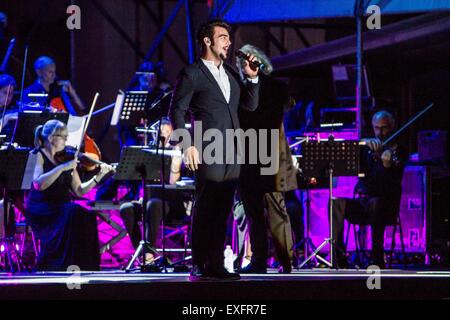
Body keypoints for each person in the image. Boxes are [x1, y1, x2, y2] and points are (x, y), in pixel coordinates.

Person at [169, 19, 260, 281]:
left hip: (232, 149)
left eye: (228, 37)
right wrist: (187, 145)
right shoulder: (192, 73)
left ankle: (216, 265)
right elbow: (176, 110)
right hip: (207, 147)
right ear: (208, 41)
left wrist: (252, 78)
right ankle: (199, 263)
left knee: (222, 209)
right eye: (222, 37)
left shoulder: (231, 72)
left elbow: (250, 106)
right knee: (206, 205)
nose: (228, 42)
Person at [236, 44, 298, 274]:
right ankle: (259, 260)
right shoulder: (238, 89)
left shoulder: (275, 86)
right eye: (241, 62)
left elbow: (283, 105)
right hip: (246, 156)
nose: (245, 65)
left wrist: (258, 75)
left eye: (249, 60)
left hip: (269, 155)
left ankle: (285, 260)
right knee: (253, 211)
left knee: (276, 209)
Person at [26, 119, 114, 271]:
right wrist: (62, 168)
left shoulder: (66, 157)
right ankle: (63, 265)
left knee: (86, 215)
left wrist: (98, 176)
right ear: (50, 138)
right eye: (63, 137)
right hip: (43, 208)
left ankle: (85, 267)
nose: (67, 140)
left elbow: (79, 190)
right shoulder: (36, 155)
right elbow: (38, 184)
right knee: (73, 212)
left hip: (62, 207)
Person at [331, 110, 405, 268]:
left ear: (392, 127)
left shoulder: (399, 150)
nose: (380, 132)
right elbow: (347, 152)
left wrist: (386, 165)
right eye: (376, 128)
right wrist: (363, 142)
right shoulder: (367, 147)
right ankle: (339, 256)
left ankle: (377, 257)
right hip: (363, 204)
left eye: (384, 128)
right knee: (335, 203)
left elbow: (388, 184)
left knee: (377, 203)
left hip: (386, 206)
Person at [119, 118, 186, 264]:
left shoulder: (178, 153)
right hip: (149, 202)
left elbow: (172, 183)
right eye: (161, 133)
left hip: (171, 206)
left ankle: (149, 252)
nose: (165, 136)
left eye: (168, 132)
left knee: (153, 204)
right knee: (126, 208)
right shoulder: (151, 152)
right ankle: (144, 254)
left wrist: (176, 159)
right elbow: (143, 181)